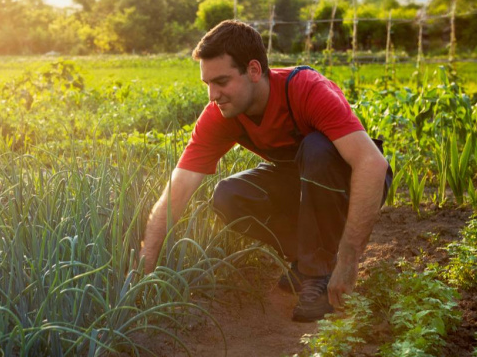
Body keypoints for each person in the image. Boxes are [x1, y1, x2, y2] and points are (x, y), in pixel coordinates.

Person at [140, 20, 392, 322]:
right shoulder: (222, 114)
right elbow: (176, 190)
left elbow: (372, 165)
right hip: (302, 182)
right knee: (229, 195)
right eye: (207, 84)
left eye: (221, 82)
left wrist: (350, 260)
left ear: (254, 71)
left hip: (348, 183)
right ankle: (309, 258)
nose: (212, 95)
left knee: (316, 148)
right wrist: (144, 266)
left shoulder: (307, 90)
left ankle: (318, 272)